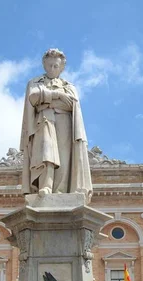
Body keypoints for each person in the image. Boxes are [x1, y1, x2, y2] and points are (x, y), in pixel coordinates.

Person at [20, 48, 92, 198]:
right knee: (45, 154)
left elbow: (70, 105)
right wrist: (57, 95)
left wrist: (45, 101)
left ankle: (60, 191)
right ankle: (45, 186)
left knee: (64, 157)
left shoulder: (69, 86)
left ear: (62, 68)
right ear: (44, 65)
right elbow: (33, 98)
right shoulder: (34, 82)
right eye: (49, 65)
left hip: (64, 122)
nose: (52, 69)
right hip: (44, 121)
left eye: (56, 66)